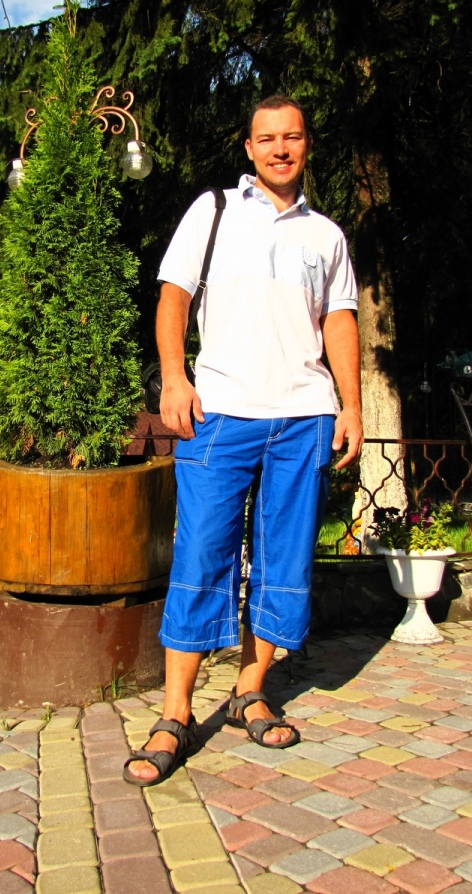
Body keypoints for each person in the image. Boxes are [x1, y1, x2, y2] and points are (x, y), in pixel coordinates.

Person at [124, 95, 364, 786]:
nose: (280, 149)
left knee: (284, 561)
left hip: (304, 416)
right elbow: (173, 298)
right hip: (221, 412)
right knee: (201, 556)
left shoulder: (326, 235)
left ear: (306, 144)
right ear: (250, 148)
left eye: (292, 137)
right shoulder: (213, 211)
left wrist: (349, 405)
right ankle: (174, 714)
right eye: (267, 138)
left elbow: (339, 320)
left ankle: (249, 692)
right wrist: (175, 378)